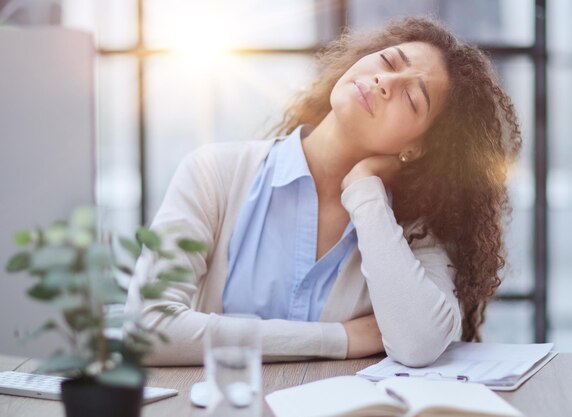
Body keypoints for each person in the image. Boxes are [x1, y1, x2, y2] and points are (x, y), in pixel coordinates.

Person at [126, 16, 521, 367]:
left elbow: (419, 344)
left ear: (415, 148)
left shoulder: (415, 225)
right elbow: (147, 328)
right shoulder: (214, 173)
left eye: (413, 97)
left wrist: (366, 190)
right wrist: (342, 339)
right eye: (387, 62)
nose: (385, 82)